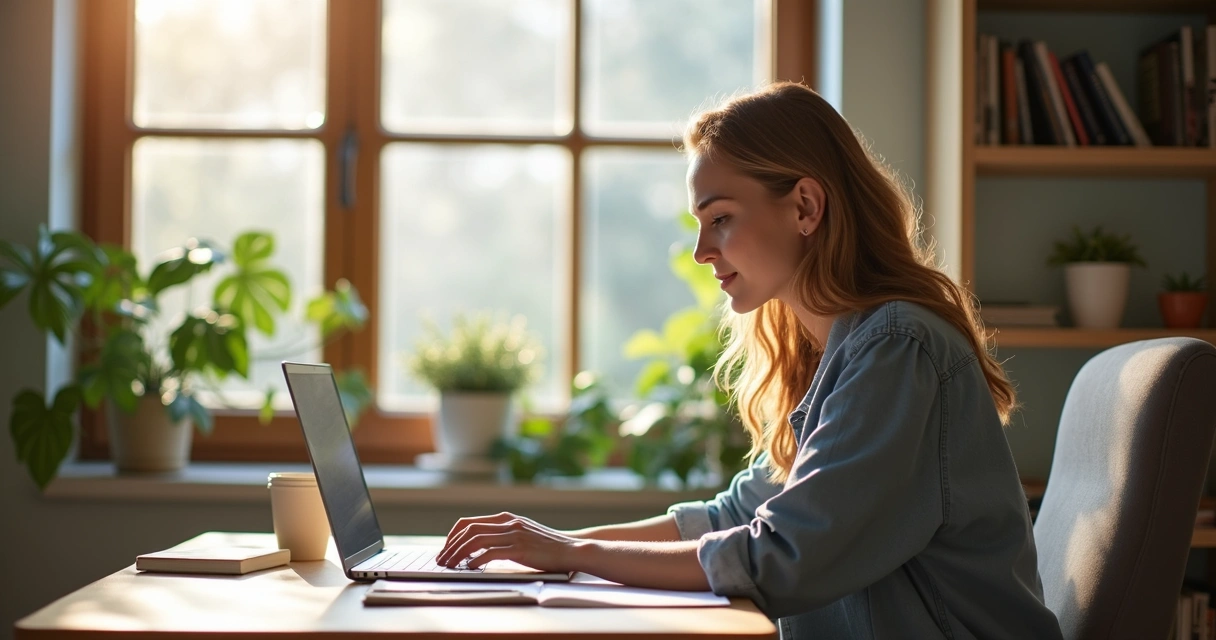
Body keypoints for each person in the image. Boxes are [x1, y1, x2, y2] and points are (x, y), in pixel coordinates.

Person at [437, 81, 1064, 639]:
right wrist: (551, 547)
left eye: (721, 218)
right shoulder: (837, 350)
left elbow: (784, 557)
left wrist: (574, 555)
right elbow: (734, 516)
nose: (701, 251)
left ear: (806, 207)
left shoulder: (898, 349)